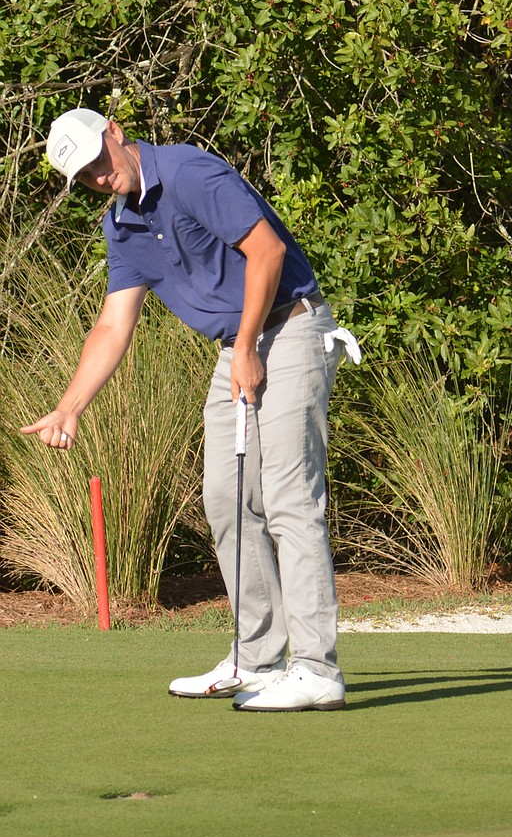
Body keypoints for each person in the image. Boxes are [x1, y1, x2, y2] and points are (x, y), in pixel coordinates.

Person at [29, 107, 359, 711]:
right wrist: (69, 406)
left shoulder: (187, 171)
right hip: (238, 347)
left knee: (287, 496)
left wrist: (250, 347)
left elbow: (266, 253)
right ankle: (257, 659)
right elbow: (112, 323)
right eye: (85, 176)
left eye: (100, 161)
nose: (100, 177)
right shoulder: (122, 228)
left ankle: (316, 669)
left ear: (116, 134)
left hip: (289, 328)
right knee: (227, 498)